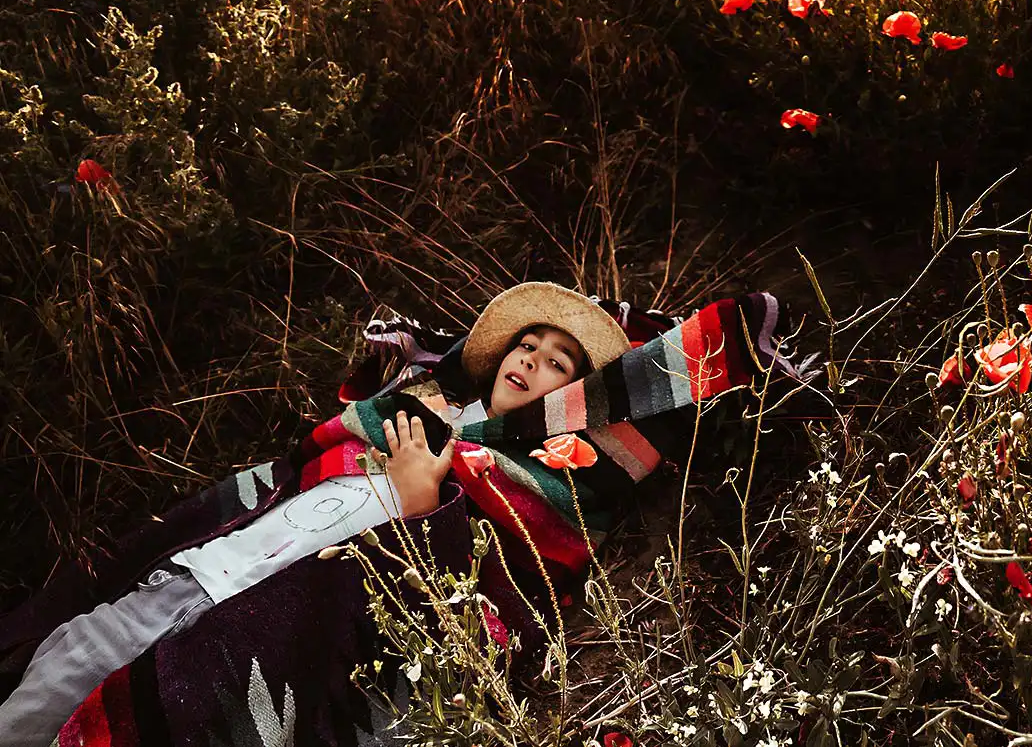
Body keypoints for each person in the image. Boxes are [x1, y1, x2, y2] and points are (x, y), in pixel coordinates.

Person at [0, 282, 633, 747]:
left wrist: (423, 514)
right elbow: (298, 471)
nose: (531, 361)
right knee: (61, 666)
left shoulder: (544, 490)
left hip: (267, 639)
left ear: (578, 395)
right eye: (528, 345)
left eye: (559, 362)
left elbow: (490, 626)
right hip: (206, 572)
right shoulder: (413, 408)